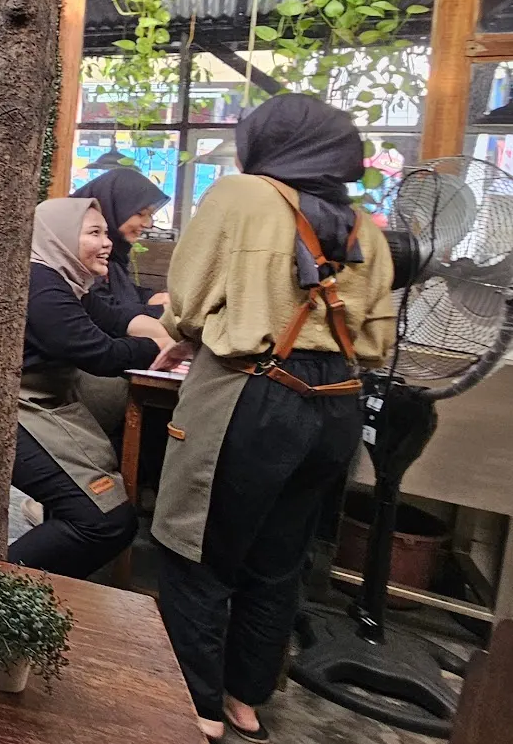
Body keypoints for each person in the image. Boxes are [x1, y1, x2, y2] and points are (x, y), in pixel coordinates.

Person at [151, 94, 394, 743]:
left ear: (266, 144)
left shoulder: (241, 196)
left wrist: (182, 331)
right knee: (279, 558)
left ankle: (195, 705)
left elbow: (192, 300)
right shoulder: (365, 225)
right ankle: (245, 701)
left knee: (195, 550)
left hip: (251, 394)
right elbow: (376, 341)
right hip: (337, 404)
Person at [14, 197, 173, 579]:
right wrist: (157, 347)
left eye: (106, 232)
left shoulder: (67, 282)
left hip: (45, 409)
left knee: (96, 514)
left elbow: (117, 318)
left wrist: (166, 327)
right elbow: (99, 352)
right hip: (19, 414)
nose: (108, 243)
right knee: (106, 523)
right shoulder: (42, 285)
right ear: (62, 237)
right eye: (94, 233)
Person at [70, 167, 174, 442]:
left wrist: (147, 298)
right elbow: (104, 316)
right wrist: (161, 319)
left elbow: (114, 302)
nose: (148, 224)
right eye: (141, 213)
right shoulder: (75, 262)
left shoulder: (109, 255)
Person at [72, 166, 172, 321]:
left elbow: (123, 292)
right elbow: (106, 313)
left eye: (150, 215)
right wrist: (159, 310)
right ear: (112, 207)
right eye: (140, 213)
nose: (147, 224)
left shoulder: (114, 256)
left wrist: (151, 298)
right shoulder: (79, 254)